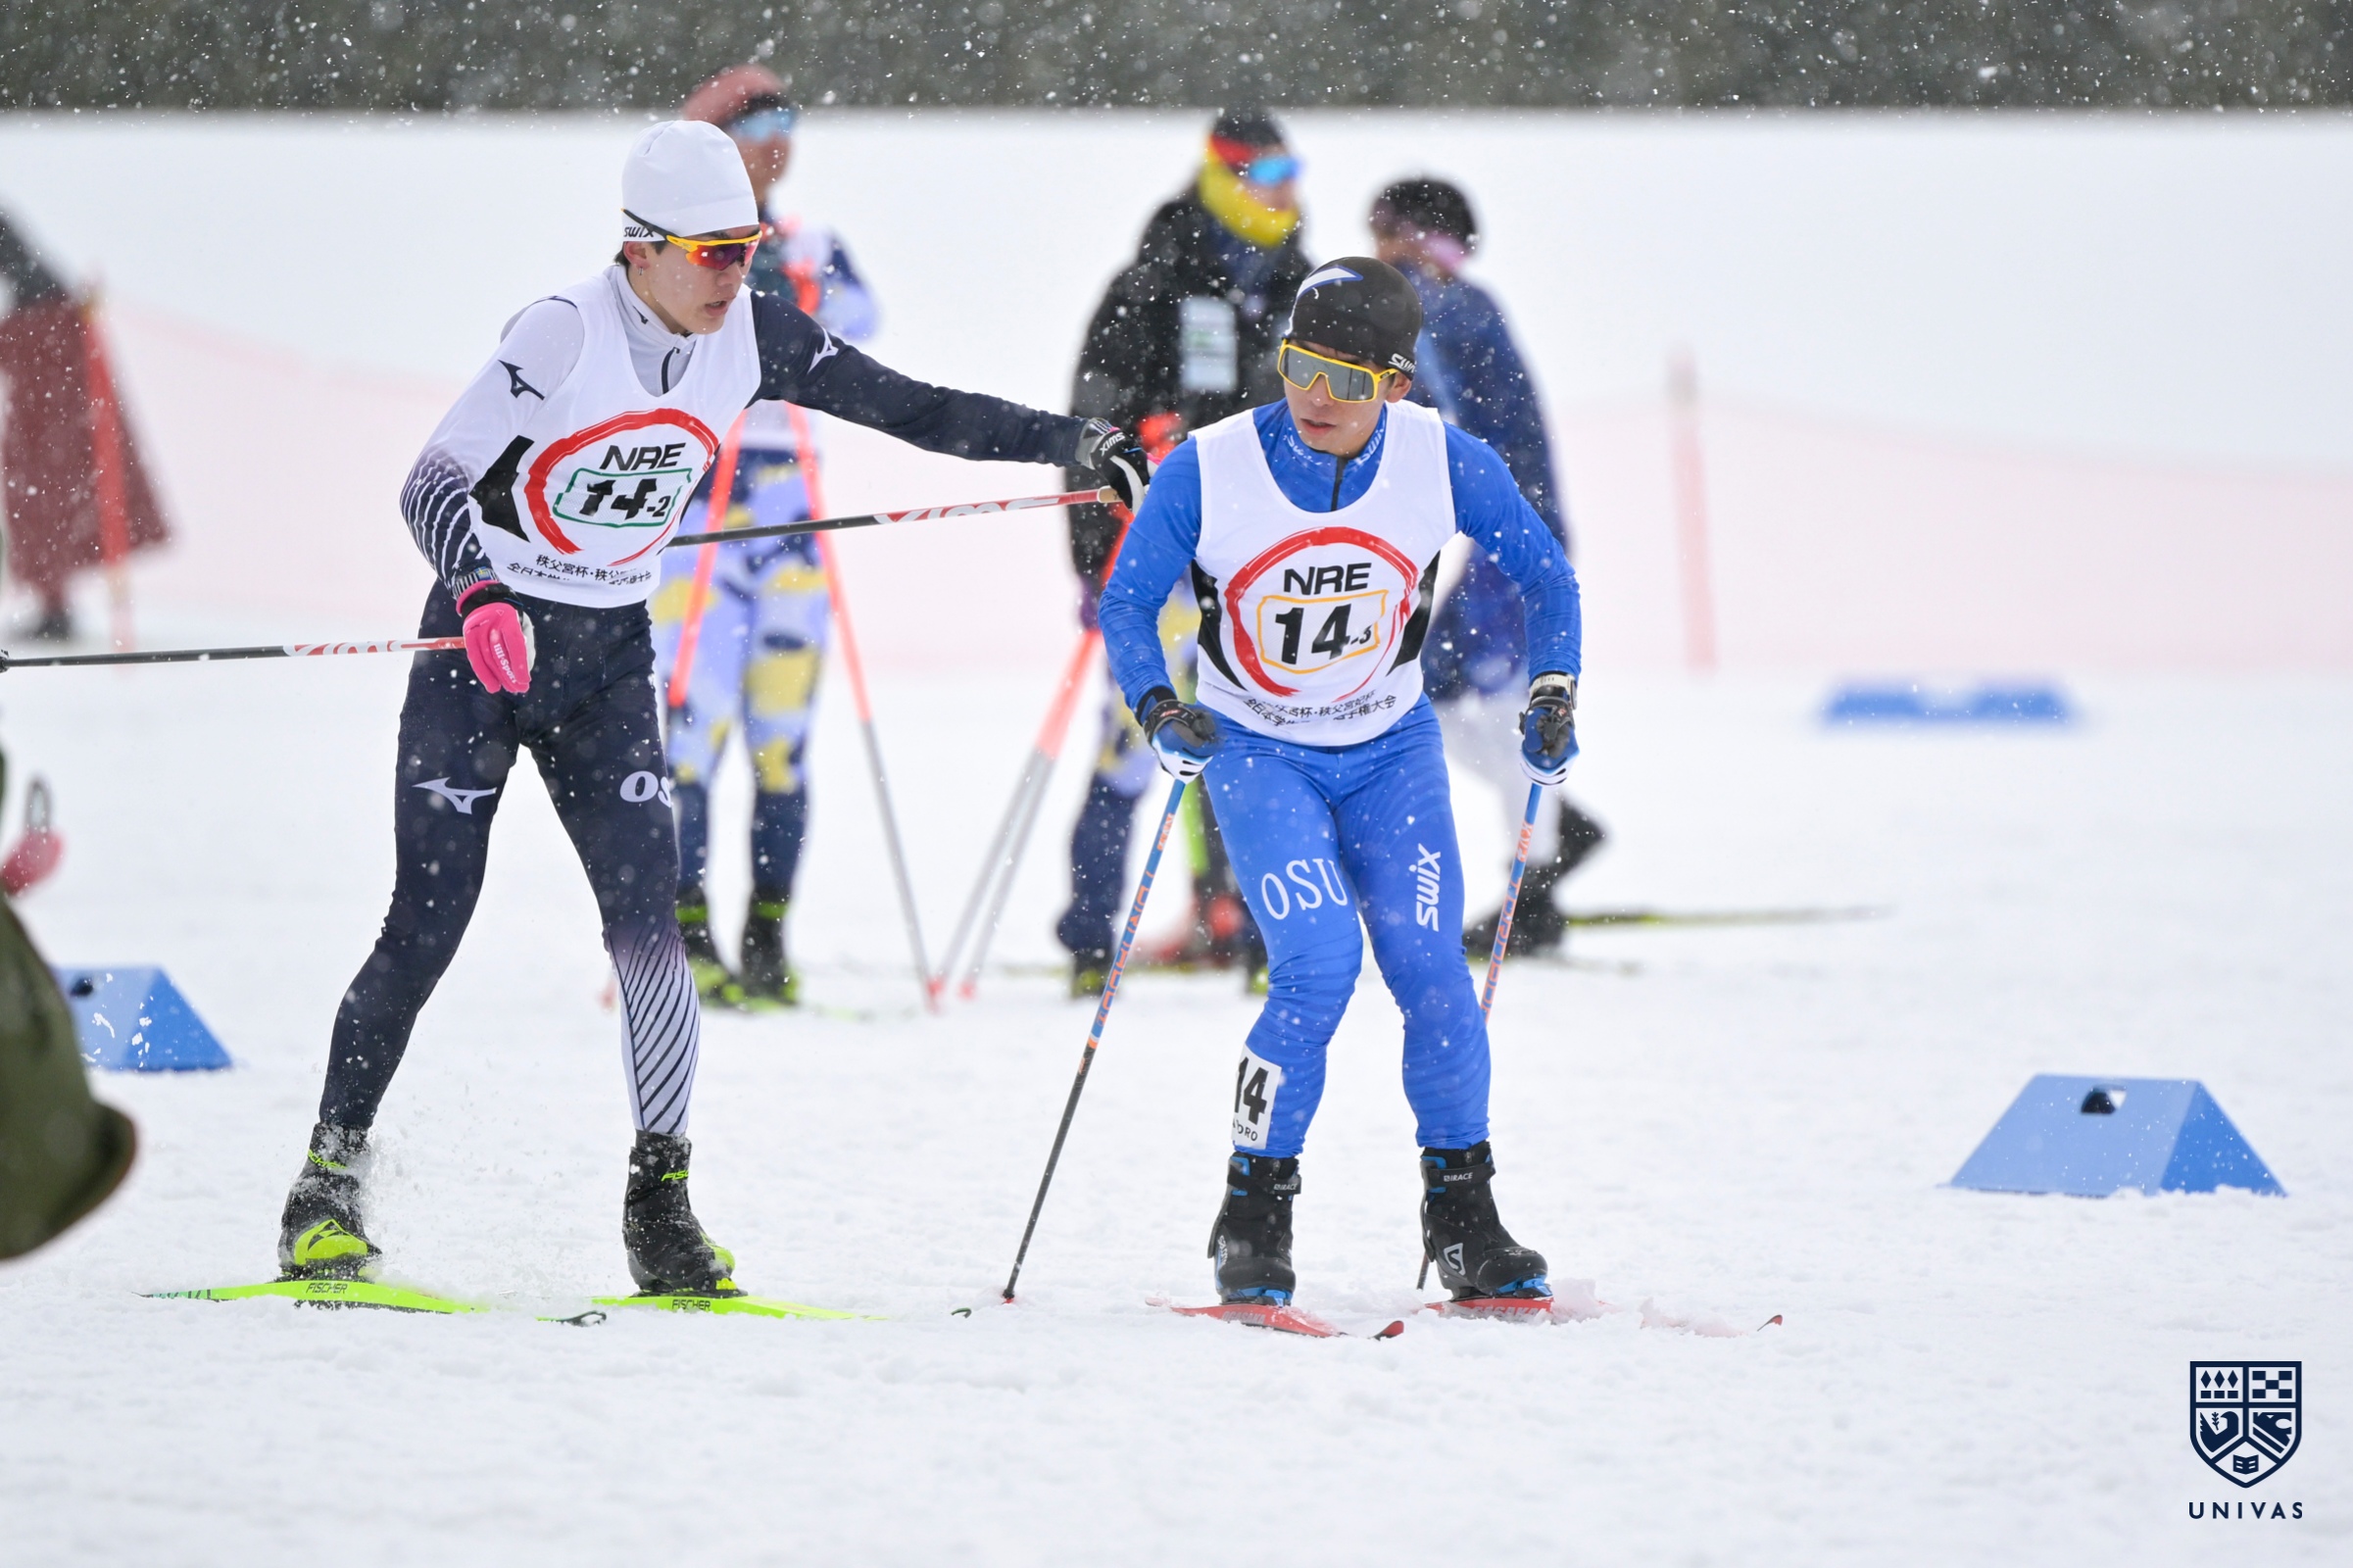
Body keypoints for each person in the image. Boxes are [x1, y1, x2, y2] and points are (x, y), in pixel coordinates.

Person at [276, 121, 1148, 1296]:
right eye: (712, 252)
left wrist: (1076, 444)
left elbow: (916, 410)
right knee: (426, 923)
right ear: (640, 247)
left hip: (604, 665)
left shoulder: (753, 332)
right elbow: (430, 477)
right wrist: (476, 589)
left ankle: (660, 1207)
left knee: (650, 931)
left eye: (746, 245)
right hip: (480, 655)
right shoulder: (563, 332)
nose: (737, 271)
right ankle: (324, 1187)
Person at [1097, 258, 1581, 1307]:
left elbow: (1548, 576)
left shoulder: (1441, 459)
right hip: (1259, 751)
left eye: (1348, 380)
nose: (1316, 396)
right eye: (1299, 366)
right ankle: (1251, 1213)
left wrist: (1552, 689)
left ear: (1396, 384)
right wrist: (1158, 706)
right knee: (1317, 966)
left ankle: (1464, 1220)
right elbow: (1126, 604)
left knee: (1432, 974)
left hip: (1389, 753)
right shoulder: (1211, 465)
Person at [1055, 107, 1314, 996]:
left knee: (1258, 745)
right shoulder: (1154, 280)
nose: (1282, 194)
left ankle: (1251, 929)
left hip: (1262, 565)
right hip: (1162, 556)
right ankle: (1090, 939)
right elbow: (1091, 425)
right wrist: (1093, 560)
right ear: (1221, 177)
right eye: (1263, 177)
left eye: (1289, 175)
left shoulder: (1300, 284)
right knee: (1134, 742)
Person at [653, 66, 883, 1008]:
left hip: (790, 522)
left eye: (786, 120)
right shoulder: (670, 247)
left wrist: (791, 291)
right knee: (688, 740)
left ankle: (767, 935)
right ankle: (685, 933)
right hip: (695, 528)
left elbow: (861, 325)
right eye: (753, 125)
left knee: (780, 743)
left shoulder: (813, 244)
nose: (776, 140)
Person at [1369, 178, 1604, 958]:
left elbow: (1428, 412)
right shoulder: (1465, 301)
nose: (1374, 248)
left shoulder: (1427, 304)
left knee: (1490, 703)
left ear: (1410, 236)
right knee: (1431, 694)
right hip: (1508, 533)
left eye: (1382, 231)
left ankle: (1534, 887)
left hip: (1506, 541)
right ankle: (1550, 828)